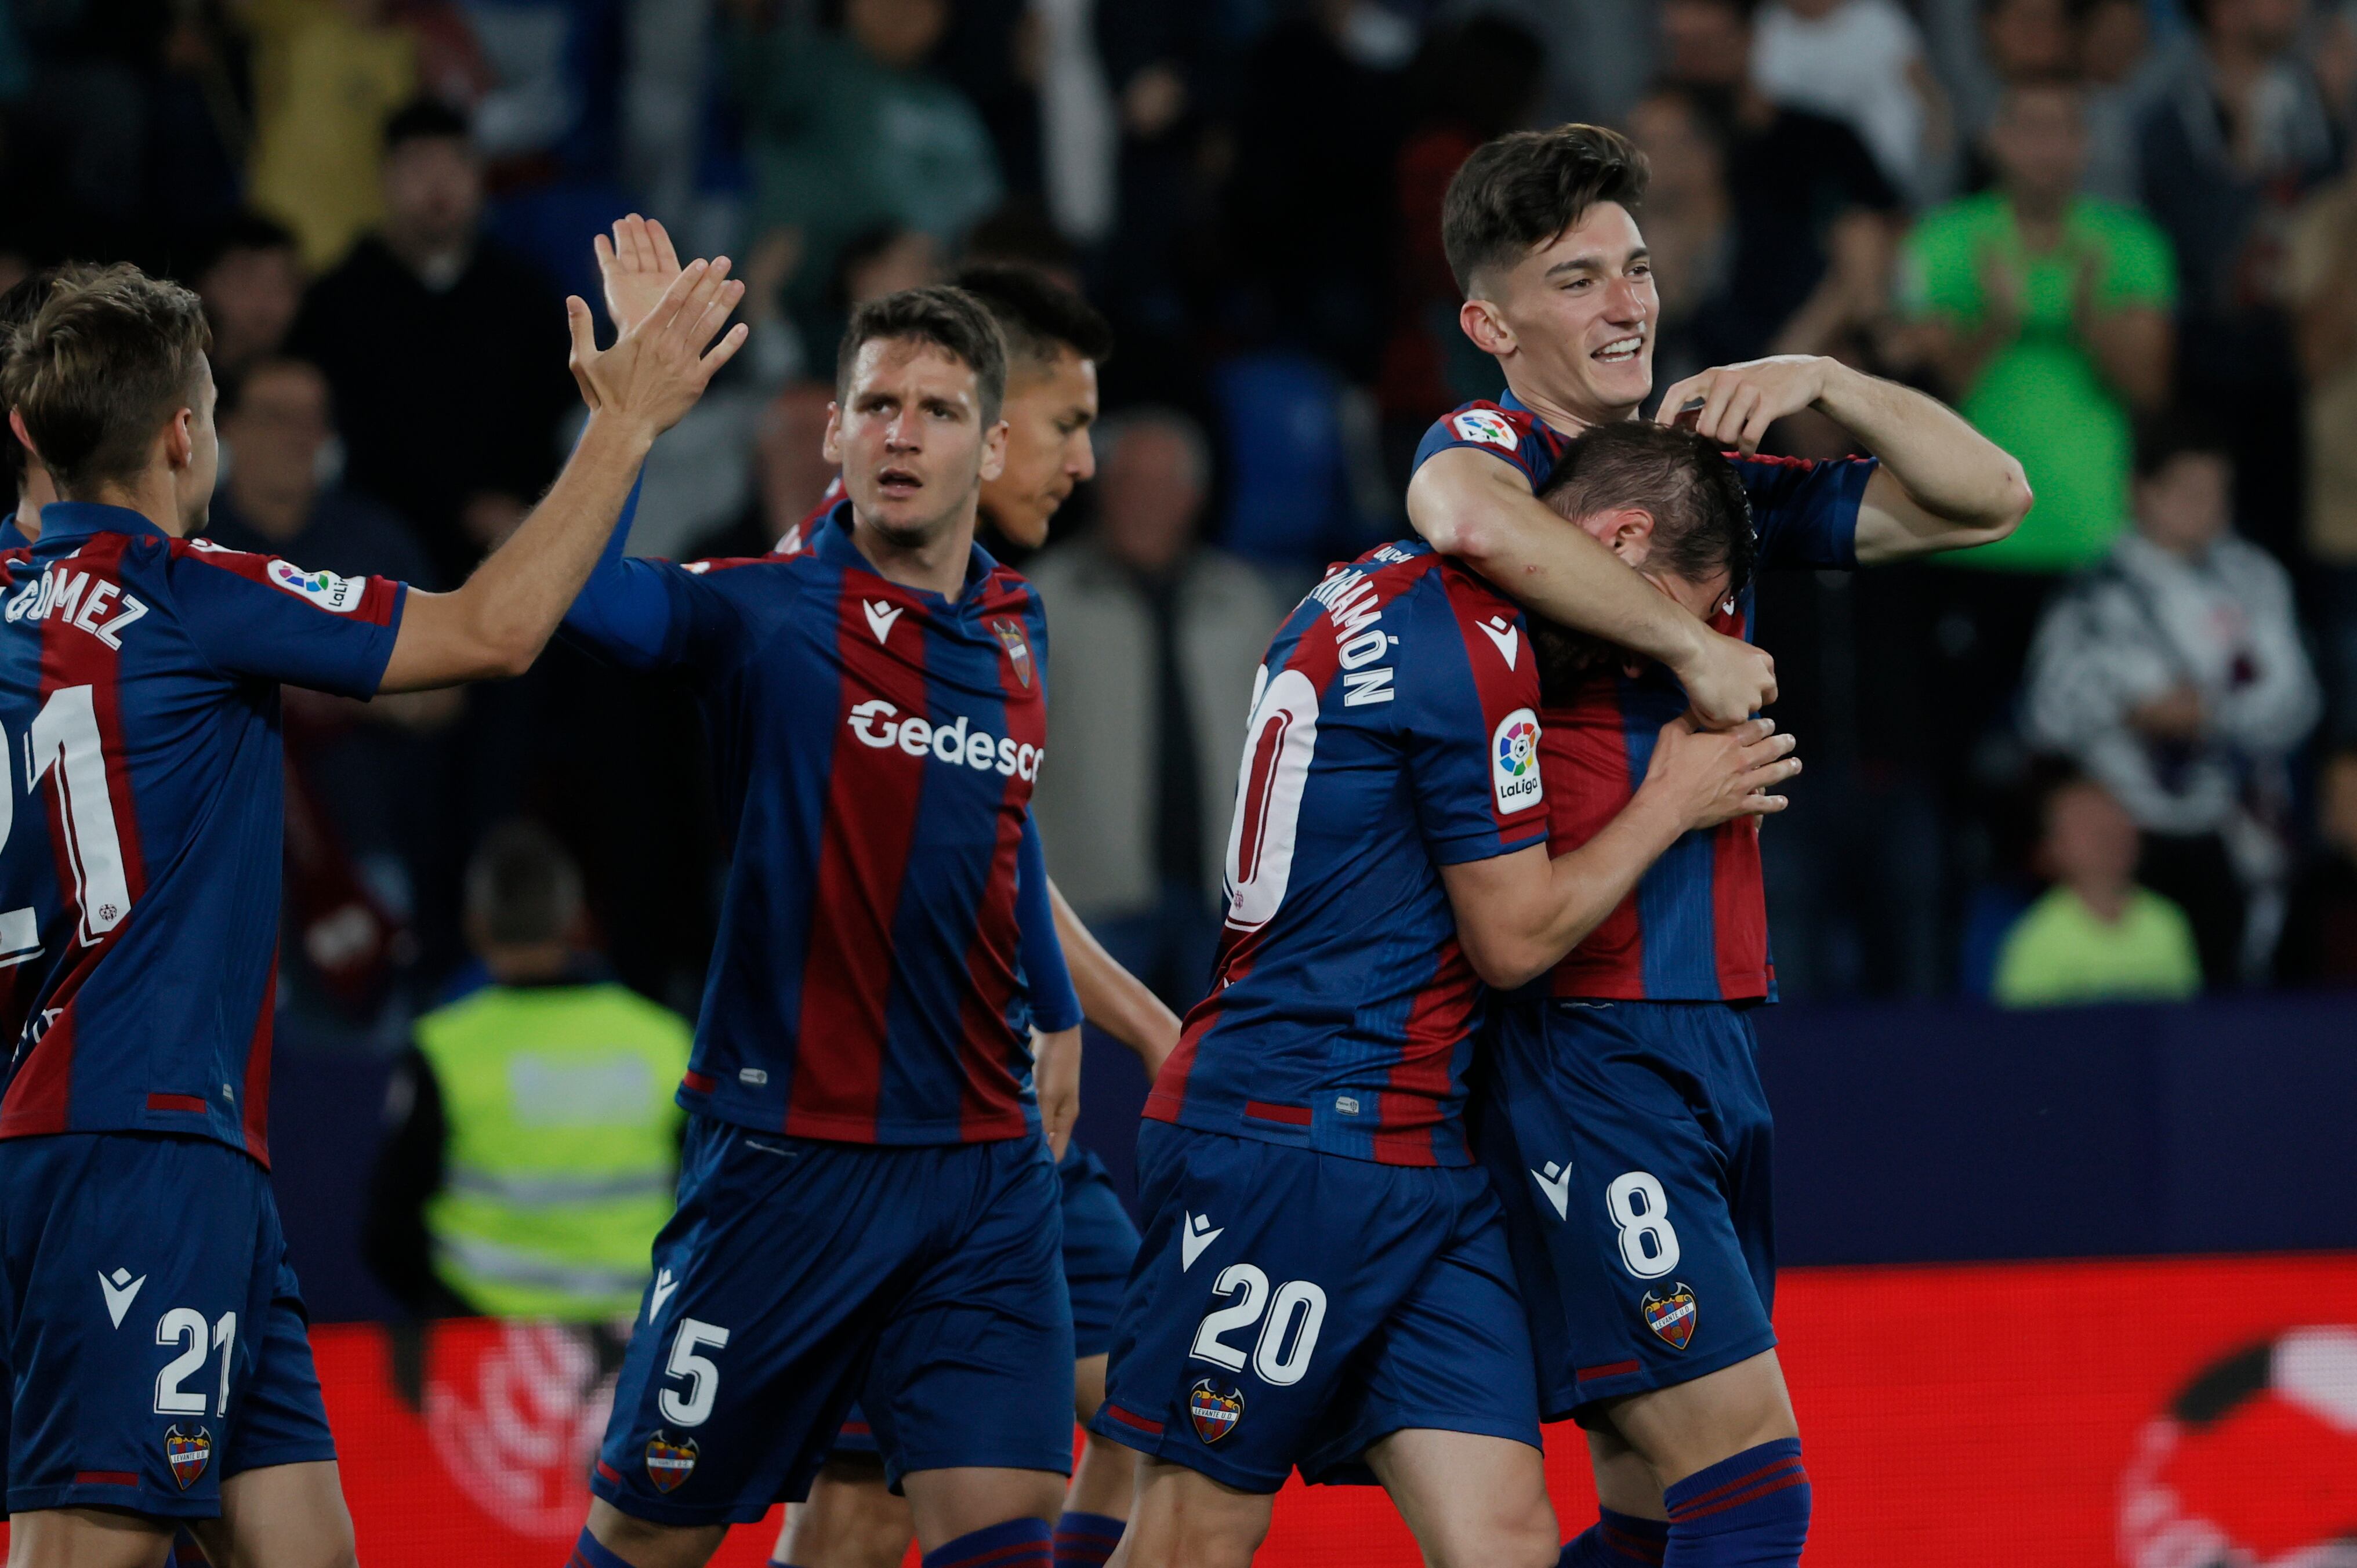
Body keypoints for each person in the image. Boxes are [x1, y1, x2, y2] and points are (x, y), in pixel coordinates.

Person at [0, 252, 744, 1568]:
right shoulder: (191, 592)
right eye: (216, 405)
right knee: (83, 1545)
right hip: (140, 1151)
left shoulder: (13, 604)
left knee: (306, 1551)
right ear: (183, 432)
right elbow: (493, 630)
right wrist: (623, 425)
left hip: (126, 1143)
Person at [1402, 123, 2030, 1564]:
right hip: (1579, 1027)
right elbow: (1460, 513)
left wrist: (1828, 379)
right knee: (1751, 1478)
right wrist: (1692, 645)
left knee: (1643, 1497)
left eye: (1633, 266)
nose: (1625, 302)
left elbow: (1987, 497)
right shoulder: (1493, 454)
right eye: (1574, 280)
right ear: (1490, 324)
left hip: (1707, 1021)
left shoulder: (1707, 475)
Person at [1090, 421, 1801, 1568]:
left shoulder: (1376, 585)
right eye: (1661, 612)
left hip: (1425, 1148)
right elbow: (1515, 937)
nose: (1644, 657)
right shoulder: (1472, 650)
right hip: (1294, 1131)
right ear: (1610, 543)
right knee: (1194, 1528)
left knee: (1508, 1535)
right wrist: (1671, 797)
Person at [558, 286, 1085, 1568]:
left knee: (1006, 1531)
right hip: (785, 1166)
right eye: (878, 407)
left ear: (992, 449)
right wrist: (627, 427)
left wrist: (1058, 1005)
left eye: (939, 411)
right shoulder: (764, 613)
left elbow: (996, 832)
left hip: (980, 1173)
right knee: (644, 1537)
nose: (902, 435)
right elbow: (579, 599)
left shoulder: (1017, 626)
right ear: (837, 437)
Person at [741, 259, 1180, 1568]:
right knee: (867, 1509)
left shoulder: (988, 611)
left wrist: (1098, 1013)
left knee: (1152, 1405)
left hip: (999, 1121)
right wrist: (1111, 1020)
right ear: (983, 422)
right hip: (888, 1124)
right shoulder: (831, 603)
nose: (1084, 461)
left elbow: (991, 855)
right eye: (1065, 424)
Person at [2022, 415, 2319, 986]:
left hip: (2233, 828)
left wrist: (2210, 714)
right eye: (2188, 491)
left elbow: (2297, 700)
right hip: (2127, 827)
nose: (2206, 506)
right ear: (2141, 491)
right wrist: (2131, 711)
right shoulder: (2094, 587)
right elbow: (2044, 712)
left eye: (2216, 491)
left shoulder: (2255, 580)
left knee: (2237, 983)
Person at [361, 820, 691, 1320]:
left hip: (486, 1355)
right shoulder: (665, 1043)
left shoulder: (443, 1050)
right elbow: (713, 1211)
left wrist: (449, 1316)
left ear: (477, 924)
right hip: (637, 1351)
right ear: (576, 922)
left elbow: (388, 1233)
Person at [1027, 409, 1284, 1008]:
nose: (1145, 500)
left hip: (1222, 901)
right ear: (1100, 493)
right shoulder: (1045, 600)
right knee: (1090, 1090)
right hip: (1089, 899)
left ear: (1193, 496)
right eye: (1128, 482)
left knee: (1215, 1083)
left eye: (1163, 483)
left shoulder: (1243, 601)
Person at [287, 97, 580, 585]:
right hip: (367, 546)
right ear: (385, 178)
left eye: (456, 163)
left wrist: (525, 504)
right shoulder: (336, 302)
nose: (438, 184)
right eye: (419, 166)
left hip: (511, 536)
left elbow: (557, 418)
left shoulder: (526, 297)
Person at [1992, 771, 2202, 1006]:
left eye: (2112, 817)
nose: (2105, 833)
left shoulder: (2167, 924)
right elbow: (2019, 1034)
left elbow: (2186, 1024)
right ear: (2053, 849)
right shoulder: (2036, 938)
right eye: (2085, 824)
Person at [2275, 746, 2357, 985]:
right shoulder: (2311, 890)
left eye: (2354, 799)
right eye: (2335, 799)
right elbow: (2288, 978)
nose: (2345, 812)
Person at [194, 212, 306, 380]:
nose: (268, 302)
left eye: (282, 286)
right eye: (248, 280)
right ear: (205, 280)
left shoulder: (298, 387)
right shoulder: (168, 372)